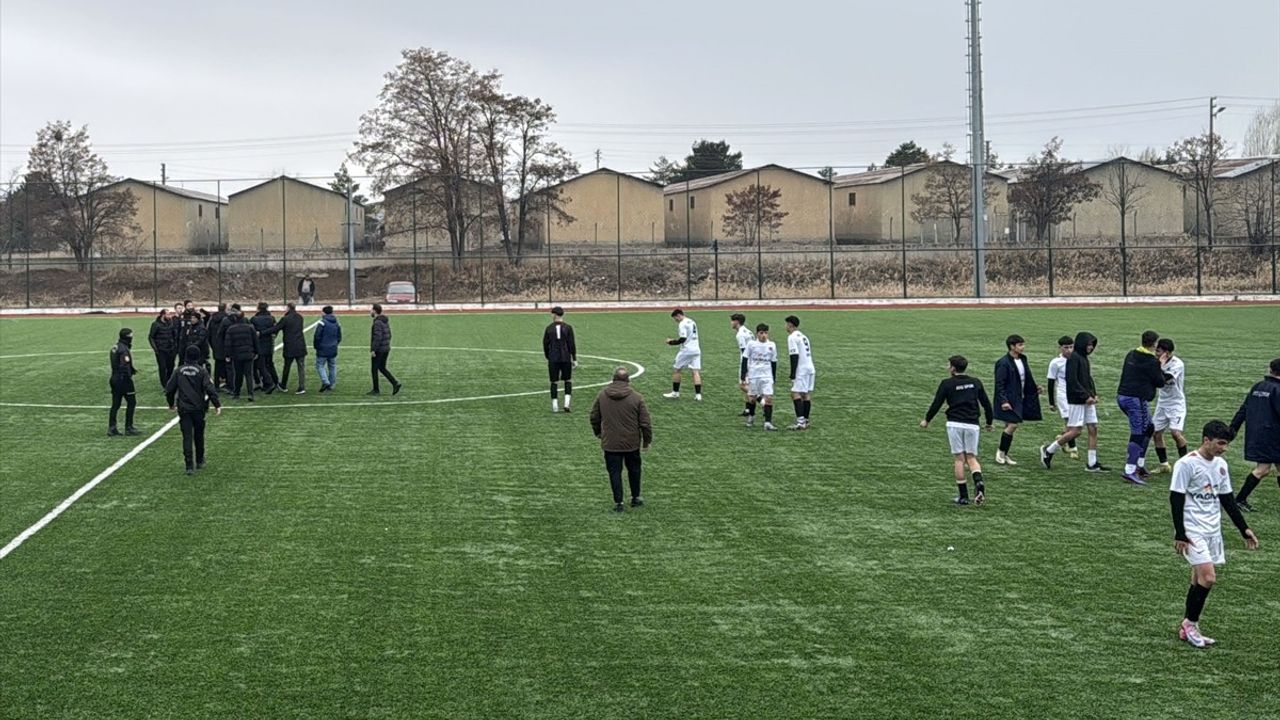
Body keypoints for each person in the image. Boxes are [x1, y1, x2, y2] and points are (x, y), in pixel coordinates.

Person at [1169, 420, 1258, 649]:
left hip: (1212, 529)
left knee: (1198, 578)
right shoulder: (1186, 464)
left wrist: (1243, 528)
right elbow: (1176, 498)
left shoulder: (1221, 465)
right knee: (1208, 578)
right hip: (1192, 529)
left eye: (1226, 444)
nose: (1224, 448)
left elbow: (1227, 499)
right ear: (1206, 440)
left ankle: (1187, 627)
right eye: (1220, 443)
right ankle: (1190, 623)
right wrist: (1180, 533)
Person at [921, 355, 994, 506]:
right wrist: (988, 422)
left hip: (954, 423)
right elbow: (986, 404)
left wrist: (927, 419)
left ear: (953, 368)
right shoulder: (975, 382)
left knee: (959, 459)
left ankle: (963, 496)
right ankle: (979, 483)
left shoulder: (947, 384)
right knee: (972, 458)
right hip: (972, 424)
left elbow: (937, 403)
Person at [1040, 332, 1107, 472]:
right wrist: (1085, 396)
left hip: (1087, 399)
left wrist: (1093, 395)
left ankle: (1092, 463)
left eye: (1092, 345)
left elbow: (1088, 379)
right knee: (1076, 431)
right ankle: (1049, 450)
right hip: (1077, 400)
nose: (1090, 348)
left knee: (1093, 427)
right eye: (1088, 344)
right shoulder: (1074, 359)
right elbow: (1073, 382)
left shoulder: (1083, 358)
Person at [589, 366, 653, 513]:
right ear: (628, 380)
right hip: (631, 442)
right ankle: (635, 497)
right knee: (634, 470)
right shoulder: (637, 397)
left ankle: (619, 502)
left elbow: (594, 417)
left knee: (614, 472)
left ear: (613, 379)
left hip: (610, 442)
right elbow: (645, 423)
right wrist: (646, 441)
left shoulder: (602, 395)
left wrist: (598, 433)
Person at [1115, 330, 1169, 485]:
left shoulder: (1131, 354)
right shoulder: (1152, 361)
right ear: (1154, 344)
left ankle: (1138, 464)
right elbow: (1159, 381)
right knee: (1139, 433)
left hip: (1122, 396)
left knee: (1149, 428)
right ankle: (1130, 470)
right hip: (1135, 399)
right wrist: (1161, 364)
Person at [1230, 358, 1280, 512]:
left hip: (1258, 433)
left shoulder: (1258, 386)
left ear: (1270, 369)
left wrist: (1233, 428)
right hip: (1273, 435)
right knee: (1263, 469)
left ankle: (1239, 500)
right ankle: (1239, 499)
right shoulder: (1278, 390)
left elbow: (1244, 409)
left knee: (1269, 468)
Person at [165, 345, 223, 475]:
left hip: (184, 408)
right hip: (198, 407)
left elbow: (169, 389)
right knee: (199, 434)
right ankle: (200, 460)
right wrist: (217, 404)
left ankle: (189, 466)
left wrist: (171, 404)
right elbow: (210, 388)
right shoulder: (201, 371)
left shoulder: (179, 371)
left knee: (187, 436)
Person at [993, 334, 1042, 465]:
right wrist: (1003, 401)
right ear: (1012, 346)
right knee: (1013, 425)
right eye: (1020, 345)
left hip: (1018, 398)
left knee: (1009, 425)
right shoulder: (1003, 363)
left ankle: (1005, 453)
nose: (1023, 347)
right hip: (1008, 400)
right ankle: (1001, 451)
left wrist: (1034, 388)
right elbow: (999, 384)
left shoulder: (1022, 359)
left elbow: (1026, 377)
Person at [1152, 338, 1188, 474]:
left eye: (1158, 351)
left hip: (1176, 404)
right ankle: (1164, 465)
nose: (1156, 353)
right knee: (1156, 433)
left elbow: (1163, 379)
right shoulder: (1156, 361)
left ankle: (1185, 465)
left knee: (1175, 433)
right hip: (1162, 403)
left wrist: (1159, 365)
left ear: (1166, 353)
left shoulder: (1177, 364)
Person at [740, 323, 778, 431]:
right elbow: (745, 359)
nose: (764, 335)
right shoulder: (751, 344)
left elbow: (774, 362)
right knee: (752, 398)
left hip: (767, 376)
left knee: (769, 398)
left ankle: (768, 422)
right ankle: (751, 416)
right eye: (761, 333)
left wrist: (773, 377)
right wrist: (743, 375)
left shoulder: (772, 345)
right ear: (757, 334)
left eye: (766, 333)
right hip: (753, 375)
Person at [1045, 336, 1078, 459]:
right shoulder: (1055, 363)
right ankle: (1072, 447)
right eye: (1066, 348)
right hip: (1063, 395)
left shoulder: (1076, 359)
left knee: (1075, 421)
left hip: (1075, 394)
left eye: (1071, 347)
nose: (1069, 350)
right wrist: (1051, 402)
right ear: (1060, 348)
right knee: (1070, 420)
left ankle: (1063, 438)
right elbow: (1051, 382)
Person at [265, 302, 308, 395]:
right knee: (301, 367)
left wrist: (262, 333)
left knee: (287, 367)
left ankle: (283, 385)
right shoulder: (300, 317)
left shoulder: (285, 319)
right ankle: (301, 386)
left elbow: (275, 329)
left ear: (288, 308)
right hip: (300, 345)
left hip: (290, 346)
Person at [784, 315, 816, 430]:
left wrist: (793, 373)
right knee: (806, 394)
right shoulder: (804, 336)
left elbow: (794, 355)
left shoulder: (792, 337)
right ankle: (806, 420)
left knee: (795, 393)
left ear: (790, 325)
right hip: (810, 367)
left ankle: (800, 422)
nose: (785, 327)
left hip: (801, 369)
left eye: (786, 324)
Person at [542, 306, 576, 411]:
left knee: (554, 382)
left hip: (553, 358)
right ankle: (566, 403)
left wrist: (548, 356)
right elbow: (571, 344)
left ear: (555, 314)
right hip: (565, 357)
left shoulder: (549, 328)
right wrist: (574, 358)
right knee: (568, 380)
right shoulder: (568, 328)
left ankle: (555, 406)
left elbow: (545, 344)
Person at [663, 309, 702, 400]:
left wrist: (671, 342)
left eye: (675, 318)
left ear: (678, 315)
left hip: (687, 350)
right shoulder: (692, 321)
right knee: (695, 372)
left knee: (677, 370)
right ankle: (698, 395)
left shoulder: (682, 324)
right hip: (696, 350)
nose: (675, 321)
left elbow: (682, 339)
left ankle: (675, 393)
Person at [108, 328, 140, 437]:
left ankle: (112, 428)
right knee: (132, 402)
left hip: (114, 378)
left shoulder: (115, 347)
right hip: (123, 380)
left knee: (115, 404)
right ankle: (129, 427)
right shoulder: (123, 349)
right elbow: (123, 365)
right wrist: (128, 376)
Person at [223, 312, 258, 401]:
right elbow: (255, 341)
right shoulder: (250, 328)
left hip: (237, 355)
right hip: (248, 354)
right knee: (249, 374)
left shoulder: (231, 329)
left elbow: (228, 344)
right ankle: (250, 394)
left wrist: (228, 355)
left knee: (238, 374)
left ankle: (236, 393)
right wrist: (256, 352)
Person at [369, 303, 402, 396]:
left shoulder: (377, 323)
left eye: (371, 309)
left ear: (374, 311)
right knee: (382, 368)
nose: (370, 311)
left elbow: (377, 337)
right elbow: (389, 335)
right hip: (386, 348)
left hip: (379, 350)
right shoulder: (384, 321)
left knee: (374, 369)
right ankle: (395, 383)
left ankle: (376, 390)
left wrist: (373, 350)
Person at [249, 302, 280, 394]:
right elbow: (276, 329)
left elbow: (252, 332)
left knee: (260, 365)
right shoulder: (271, 318)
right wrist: (273, 336)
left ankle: (269, 383)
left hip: (259, 345)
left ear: (258, 308)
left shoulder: (254, 319)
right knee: (270, 364)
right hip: (269, 344)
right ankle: (275, 381)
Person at [313, 305, 342, 392]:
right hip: (333, 348)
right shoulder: (336, 323)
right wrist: (335, 344)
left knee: (320, 365)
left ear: (324, 312)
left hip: (323, 348)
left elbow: (317, 336)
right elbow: (339, 337)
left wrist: (317, 346)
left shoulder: (322, 323)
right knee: (332, 366)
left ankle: (325, 381)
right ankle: (331, 384)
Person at [148, 308, 177, 388]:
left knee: (171, 366)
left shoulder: (171, 323)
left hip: (171, 349)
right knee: (162, 367)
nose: (170, 316)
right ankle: (165, 385)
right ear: (163, 315)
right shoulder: (155, 324)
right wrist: (155, 349)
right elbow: (151, 337)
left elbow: (174, 335)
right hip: (161, 350)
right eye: (168, 314)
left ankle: (169, 382)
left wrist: (174, 345)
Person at [730, 313, 753, 417]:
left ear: (737, 322)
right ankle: (748, 409)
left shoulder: (740, 334)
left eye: (732, 320)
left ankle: (761, 400)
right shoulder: (748, 331)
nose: (731, 323)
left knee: (743, 385)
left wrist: (744, 368)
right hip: (753, 360)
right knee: (747, 385)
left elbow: (745, 352)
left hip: (747, 362)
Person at [207, 302, 229, 390]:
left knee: (218, 364)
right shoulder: (227, 319)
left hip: (215, 345)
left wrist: (212, 344)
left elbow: (208, 332)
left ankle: (216, 384)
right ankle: (227, 382)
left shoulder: (212, 319)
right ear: (225, 308)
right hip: (225, 345)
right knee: (227, 364)